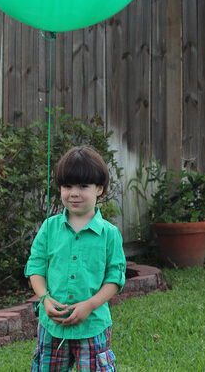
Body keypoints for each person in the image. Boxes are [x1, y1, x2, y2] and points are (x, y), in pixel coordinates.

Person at [25, 146, 126, 371]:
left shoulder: (110, 234)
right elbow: (36, 267)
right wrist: (45, 299)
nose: (74, 193)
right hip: (52, 325)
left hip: (93, 325)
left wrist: (90, 305)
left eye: (83, 186)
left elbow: (115, 279)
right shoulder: (49, 228)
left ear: (99, 189)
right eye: (67, 186)